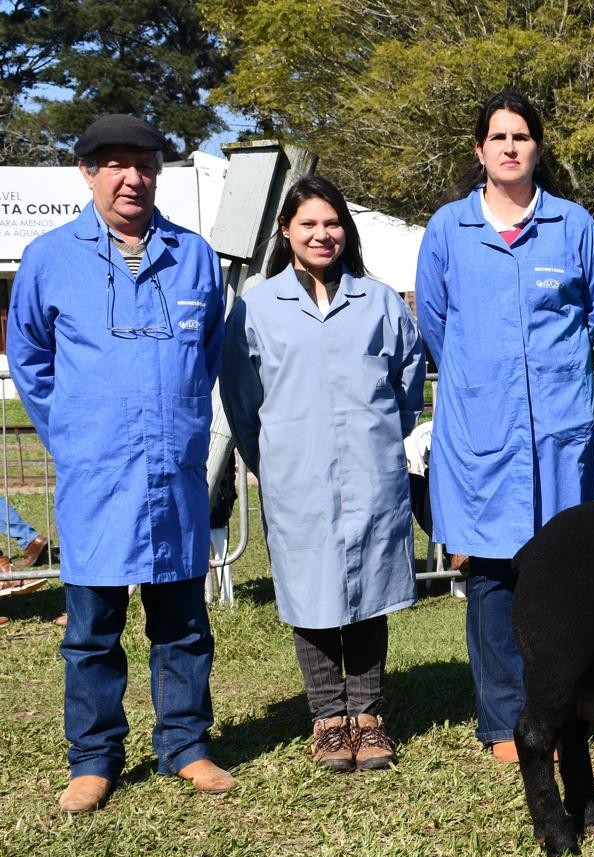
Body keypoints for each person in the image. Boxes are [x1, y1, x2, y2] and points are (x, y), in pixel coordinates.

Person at [7, 114, 232, 813]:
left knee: (184, 624)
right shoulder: (50, 258)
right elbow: (31, 360)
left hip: (173, 473)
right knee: (91, 631)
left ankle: (186, 745)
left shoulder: (193, 256)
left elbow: (208, 359)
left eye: (144, 163)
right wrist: (71, 435)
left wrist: (187, 425)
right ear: (87, 171)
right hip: (96, 474)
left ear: (158, 172)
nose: (131, 176)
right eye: (114, 164)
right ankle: (95, 758)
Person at [415, 90, 594, 763]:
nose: (509, 147)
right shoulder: (448, 229)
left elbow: (593, 313)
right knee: (494, 578)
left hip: (558, 434)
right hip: (481, 436)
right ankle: (503, 720)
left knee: (560, 578)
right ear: (479, 150)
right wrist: (484, 383)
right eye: (497, 137)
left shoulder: (573, 226)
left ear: (538, 148)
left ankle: (561, 708)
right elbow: (436, 324)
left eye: (521, 136)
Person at [222, 175, 425, 772]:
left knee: (368, 595)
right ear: (286, 232)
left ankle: (368, 714)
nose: (321, 234)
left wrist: (377, 438)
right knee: (310, 598)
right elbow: (241, 402)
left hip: (371, 472)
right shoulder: (257, 308)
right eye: (308, 224)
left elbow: (406, 388)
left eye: (332, 223)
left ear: (346, 231)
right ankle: (328, 719)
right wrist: (273, 461)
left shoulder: (380, 301)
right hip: (295, 477)